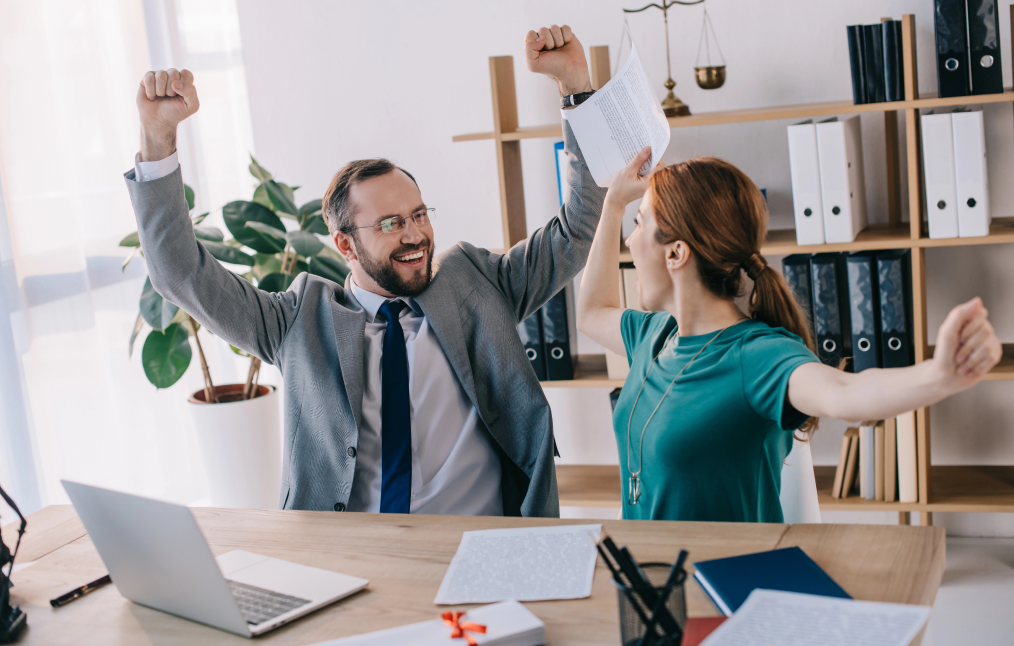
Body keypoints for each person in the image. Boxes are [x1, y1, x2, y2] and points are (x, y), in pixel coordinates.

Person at [126, 25, 604, 517]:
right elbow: (180, 273)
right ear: (344, 244)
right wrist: (158, 141)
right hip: (353, 557)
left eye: (419, 215)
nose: (415, 235)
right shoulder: (298, 321)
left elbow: (577, 229)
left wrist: (575, 86)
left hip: (480, 542)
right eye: (391, 224)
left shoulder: (479, 285)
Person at [578, 151, 1003, 523]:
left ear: (675, 253)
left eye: (638, 225)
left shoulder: (756, 356)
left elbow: (844, 392)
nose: (629, 242)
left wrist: (941, 375)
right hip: (647, 579)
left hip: (720, 586)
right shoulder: (654, 336)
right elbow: (591, 312)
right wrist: (614, 203)